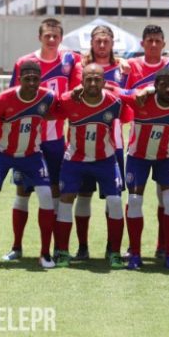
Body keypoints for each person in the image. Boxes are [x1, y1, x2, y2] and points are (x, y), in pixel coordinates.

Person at [1, 18, 81, 263]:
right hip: (27, 139)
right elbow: (12, 98)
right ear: (40, 37)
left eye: (56, 36)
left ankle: (54, 248)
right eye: (47, 35)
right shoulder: (25, 63)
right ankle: (17, 246)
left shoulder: (70, 61)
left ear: (61, 38)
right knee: (23, 190)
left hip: (55, 138)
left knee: (55, 192)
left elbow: (77, 91)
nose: (51, 40)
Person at [0, 60, 57, 268]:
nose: (31, 83)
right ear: (19, 79)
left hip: (31, 154)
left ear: (40, 79)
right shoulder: (1, 100)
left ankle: (45, 253)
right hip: (2, 152)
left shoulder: (47, 97)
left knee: (46, 195)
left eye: (35, 79)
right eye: (27, 78)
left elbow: (61, 109)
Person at [52, 63, 125, 269]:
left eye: (97, 79)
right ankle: (63, 251)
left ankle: (114, 252)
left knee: (115, 201)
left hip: (106, 160)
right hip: (75, 160)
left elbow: (132, 110)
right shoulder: (68, 100)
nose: (93, 83)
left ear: (104, 82)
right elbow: (50, 112)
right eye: (88, 79)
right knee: (66, 200)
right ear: (81, 81)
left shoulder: (114, 102)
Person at [118, 67, 169, 270]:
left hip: (166, 158)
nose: (168, 88)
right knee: (134, 200)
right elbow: (114, 90)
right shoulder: (139, 99)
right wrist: (146, 90)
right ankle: (135, 254)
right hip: (138, 158)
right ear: (155, 85)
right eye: (162, 84)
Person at [69, 24, 128, 261]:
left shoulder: (124, 67)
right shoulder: (78, 66)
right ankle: (82, 248)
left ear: (112, 42)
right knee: (83, 195)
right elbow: (74, 93)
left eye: (106, 41)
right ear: (91, 43)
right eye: (98, 41)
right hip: (81, 142)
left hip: (113, 142)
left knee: (112, 197)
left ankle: (111, 248)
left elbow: (127, 99)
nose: (102, 45)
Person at [125, 25, 169, 259]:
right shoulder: (132, 66)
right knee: (135, 198)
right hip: (139, 146)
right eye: (150, 41)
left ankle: (164, 247)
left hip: (168, 146)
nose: (154, 44)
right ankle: (133, 249)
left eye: (158, 41)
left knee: (167, 199)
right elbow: (125, 95)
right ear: (142, 44)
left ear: (163, 44)